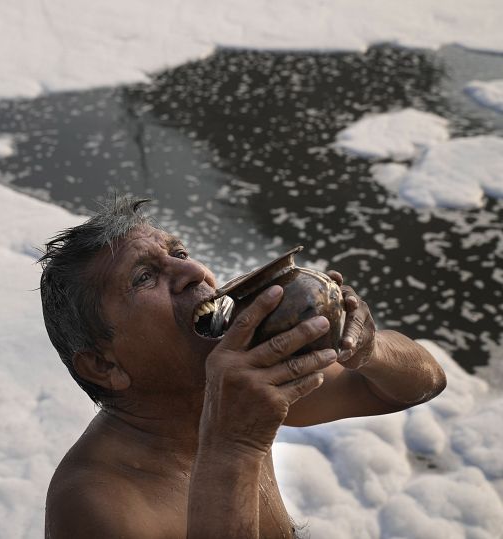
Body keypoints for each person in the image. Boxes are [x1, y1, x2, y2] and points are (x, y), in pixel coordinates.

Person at [38, 196, 446, 539]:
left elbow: (422, 384)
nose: (195, 272)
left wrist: (365, 349)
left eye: (179, 253)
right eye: (145, 277)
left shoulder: (229, 387)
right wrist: (233, 445)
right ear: (103, 364)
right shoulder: (95, 503)